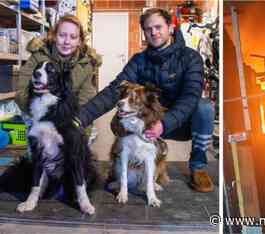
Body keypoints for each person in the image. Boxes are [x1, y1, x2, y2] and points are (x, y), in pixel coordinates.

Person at [77, 8, 214, 192]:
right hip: (147, 121)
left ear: (171, 28)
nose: (154, 32)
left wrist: (164, 124)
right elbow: (113, 91)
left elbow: (190, 97)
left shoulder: (190, 58)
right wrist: (80, 118)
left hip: (180, 123)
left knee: (204, 108)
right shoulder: (139, 61)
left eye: (158, 27)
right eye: (148, 29)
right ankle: (122, 169)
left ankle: (198, 167)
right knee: (118, 121)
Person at [15, 15, 101, 121]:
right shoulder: (38, 56)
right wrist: (41, 112)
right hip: (37, 117)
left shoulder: (86, 64)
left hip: (70, 120)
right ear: (54, 36)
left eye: (73, 37)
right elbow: (21, 94)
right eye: (62, 35)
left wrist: (73, 124)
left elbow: (86, 103)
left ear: (79, 41)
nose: (67, 42)